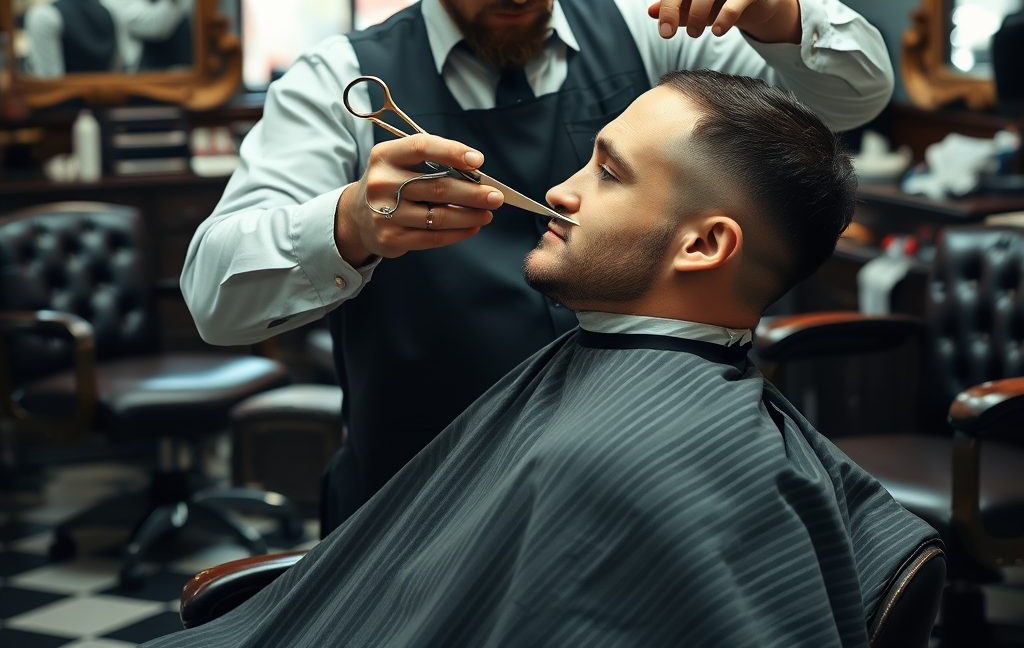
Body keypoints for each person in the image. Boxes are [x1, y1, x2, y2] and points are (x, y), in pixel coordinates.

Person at [182, 0, 895, 530]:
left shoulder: (645, 29)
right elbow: (214, 300)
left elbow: (856, 99)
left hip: (627, 509)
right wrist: (351, 222)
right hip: (412, 522)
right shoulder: (336, 84)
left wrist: (779, 10)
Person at [156, 74, 936, 648]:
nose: (559, 192)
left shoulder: (624, 468)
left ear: (703, 245)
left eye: (607, 171)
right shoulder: (640, 401)